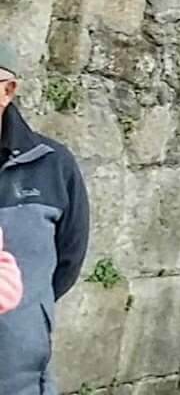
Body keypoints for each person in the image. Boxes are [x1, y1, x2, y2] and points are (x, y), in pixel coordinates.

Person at [0, 41, 90, 394]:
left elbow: (67, 262)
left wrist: (26, 319)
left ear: (7, 91)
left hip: (16, 378)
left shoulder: (52, 165)